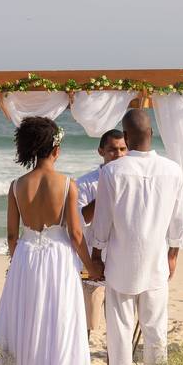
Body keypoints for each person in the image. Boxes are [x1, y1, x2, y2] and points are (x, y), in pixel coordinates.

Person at [0, 117, 103, 365]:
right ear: (55, 149)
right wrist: (91, 266)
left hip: (26, 258)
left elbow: (11, 235)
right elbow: (75, 233)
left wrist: (16, 262)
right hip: (58, 259)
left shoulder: (17, 186)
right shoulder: (67, 184)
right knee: (59, 321)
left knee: (27, 321)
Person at [91, 108, 183, 365]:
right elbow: (178, 219)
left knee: (119, 327)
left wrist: (96, 254)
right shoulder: (173, 170)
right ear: (152, 134)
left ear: (127, 137)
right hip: (156, 260)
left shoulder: (112, 171)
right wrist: (173, 253)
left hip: (120, 260)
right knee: (156, 328)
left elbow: (102, 221)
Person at [75, 129, 127, 337]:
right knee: (85, 326)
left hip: (121, 261)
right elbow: (79, 221)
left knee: (119, 329)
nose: (119, 154)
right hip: (92, 265)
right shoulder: (86, 183)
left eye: (123, 149)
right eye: (113, 150)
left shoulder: (132, 179)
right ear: (101, 151)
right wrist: (105, 192)